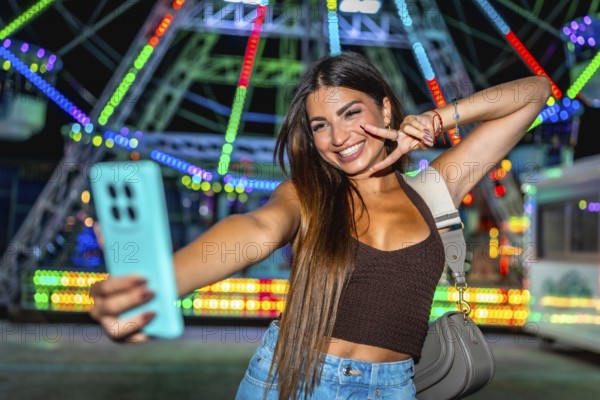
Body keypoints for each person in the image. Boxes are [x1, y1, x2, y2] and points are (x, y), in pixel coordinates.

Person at [89, 51, 551, 399]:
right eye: (320, 125)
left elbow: (534, 92)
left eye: (352, 113)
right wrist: (155, 285)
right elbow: (258, 230)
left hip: (393, 388)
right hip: (292, 377)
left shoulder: (434, 188)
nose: (339, 137)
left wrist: (434, 119)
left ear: (386, 110)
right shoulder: (309, 193)